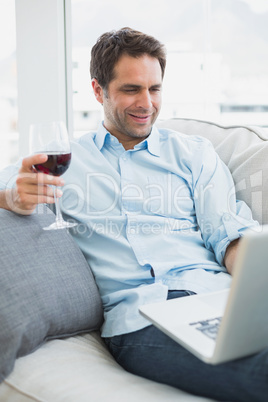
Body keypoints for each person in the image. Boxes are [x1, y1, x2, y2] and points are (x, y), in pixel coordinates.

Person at [0, 27, 267, 401]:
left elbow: (227, 234)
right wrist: (12, 198)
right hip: (142, 318)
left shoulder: (194, 154)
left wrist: (255, 285)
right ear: (98, 91)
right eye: (130, 90)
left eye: (154, 89)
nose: (147, 103)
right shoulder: (63, 159)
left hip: (218, 299)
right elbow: (9, 189)